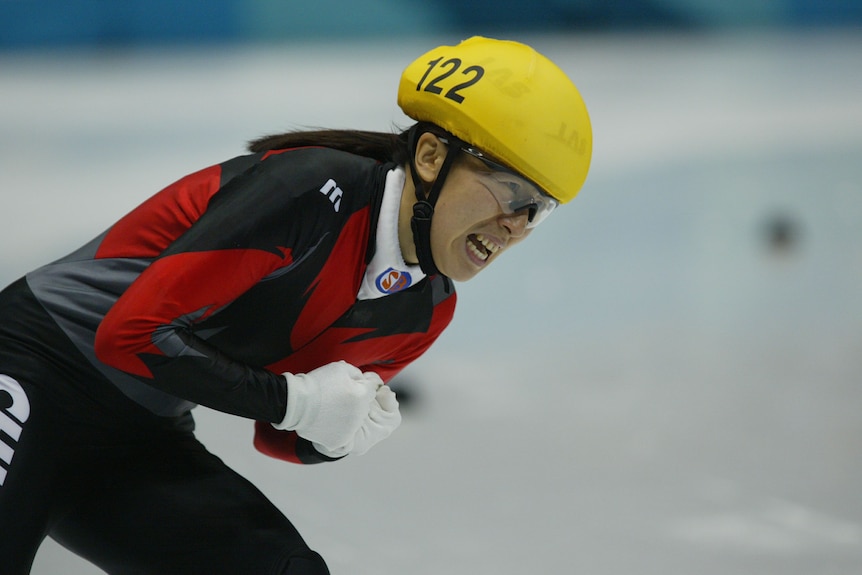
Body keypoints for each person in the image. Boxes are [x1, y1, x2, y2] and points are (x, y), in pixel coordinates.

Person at [0, 36, 592, 574]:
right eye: (509, 191)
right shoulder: (311, 190)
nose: (514, 225)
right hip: (30, 368)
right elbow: (129, 335)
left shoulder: (424, 310)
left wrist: (334, 434)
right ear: (433, 156)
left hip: (134, 437)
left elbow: (278, 438)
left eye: (536, 209)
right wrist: (293, 400)